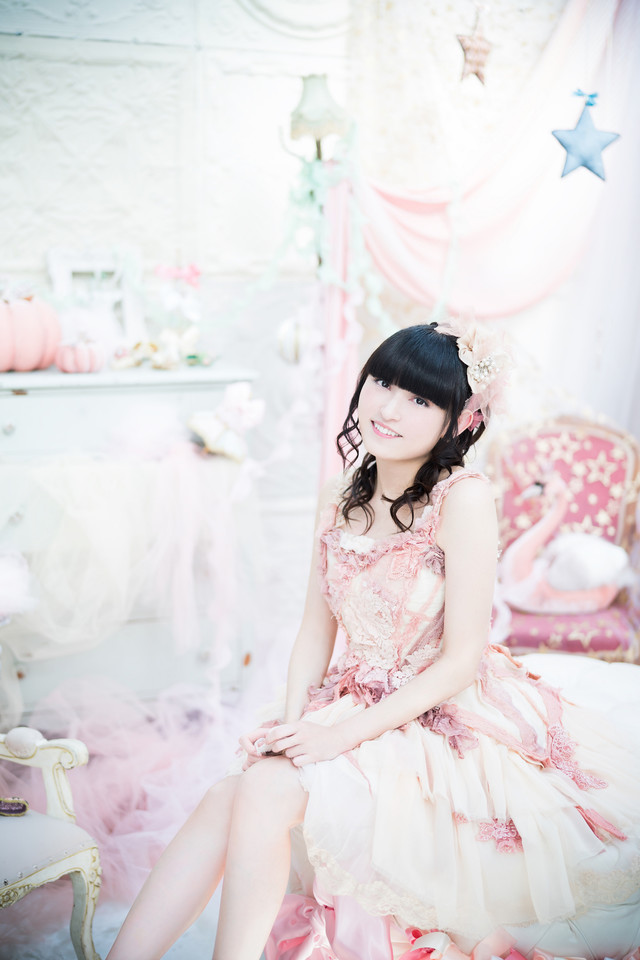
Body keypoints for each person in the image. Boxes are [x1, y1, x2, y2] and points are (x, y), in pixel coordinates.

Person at [106, 322, 640, 960]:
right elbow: (314, 631)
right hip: (349, 698)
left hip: (435, 710)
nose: (388, 408)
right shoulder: (338, 496)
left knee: (264, 793)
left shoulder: (462, 499)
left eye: (419, 399)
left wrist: (336, 739)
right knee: (232, 793)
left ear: (459, 420)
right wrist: (295, 724)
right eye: (382, 383)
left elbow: (461, 661)